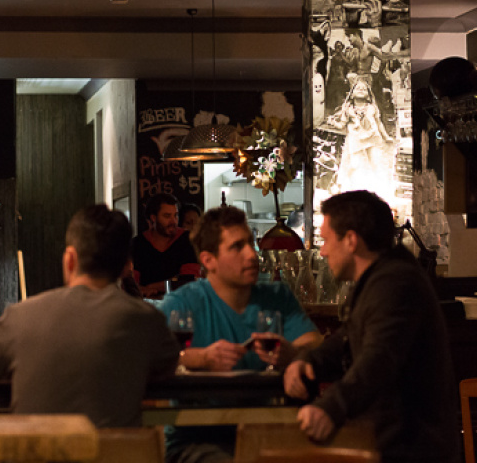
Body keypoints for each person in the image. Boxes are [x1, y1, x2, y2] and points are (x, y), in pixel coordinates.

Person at [0, 205, 180, 427]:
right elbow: (167, 369)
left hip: (38, 450)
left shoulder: (21, 316)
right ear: (125, 266)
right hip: (115, 451)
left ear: (70, 259)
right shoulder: (148, 321)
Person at [284, 191, 459, 463]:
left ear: (351, 240)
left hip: (411, 448)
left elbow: (379, 359)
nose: (323, 251)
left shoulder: (396, 283)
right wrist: (309, 361)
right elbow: (348, 338)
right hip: (393, 442)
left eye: (327, 240)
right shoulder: (381, 278)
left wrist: (331, 407)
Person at [159, 206, 322, 463]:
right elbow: (149, 359)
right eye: (237, 247)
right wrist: (200, 358)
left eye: (250, 243)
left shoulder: (276, 297)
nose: (251, 254)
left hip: (266, 433)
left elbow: (314, 343)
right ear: (208, 260)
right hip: (197, 440)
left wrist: (295, 355)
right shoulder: (182, 303)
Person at [327, 79, 394, 197]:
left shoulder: (372, 107)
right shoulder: (348, 109)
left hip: (373, 138)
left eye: (364, 89)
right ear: (352, 93)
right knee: (357, 165)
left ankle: (380, 191)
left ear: (368, 94)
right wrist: (332, 123)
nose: (361, 90)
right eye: (358, 88)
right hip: (356, 141)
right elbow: (342, 125)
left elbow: (379, 123)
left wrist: (386, 136)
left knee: (376, 163)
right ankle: (358, 191)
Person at [132, 194, 200, 297]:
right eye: (167, 216)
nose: (173, 221)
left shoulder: (187, 240)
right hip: (146, 304)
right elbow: (130, 282)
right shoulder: (138, 244)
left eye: (175, 215)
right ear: (153, 218)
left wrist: (152, 287)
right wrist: (140, 289)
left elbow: (189, 280)